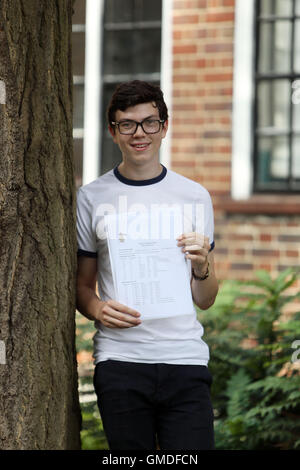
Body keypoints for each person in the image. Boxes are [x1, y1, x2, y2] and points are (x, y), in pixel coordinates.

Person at [76, 80, 219, 450]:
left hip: (185, 360)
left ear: (164, 127)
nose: (140, 133)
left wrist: (203, 265)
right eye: (127, 124)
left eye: (149, 122)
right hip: (121, 361)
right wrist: (98, 309)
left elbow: (205, 299)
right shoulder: (91, 197)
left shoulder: (194, 197)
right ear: (113, 131)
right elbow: (82, 287)